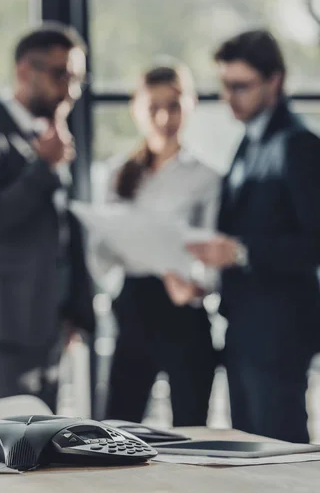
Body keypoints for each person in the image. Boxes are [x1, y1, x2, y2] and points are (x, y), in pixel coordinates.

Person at [168, 30, 320, 442]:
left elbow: (315, 243)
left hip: (279, 330)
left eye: (241, 86)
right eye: (224, 85)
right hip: (243, 325)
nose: (229, 97)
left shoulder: (298, 145)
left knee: (279, 450)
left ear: (276, 81)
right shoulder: (247, 143)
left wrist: (239, 251)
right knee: (250, 450)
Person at [0, 23, 95, 408]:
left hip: (49, 332)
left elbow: (62, 233)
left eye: (77, 78)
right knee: (2, 454)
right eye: (60, 74)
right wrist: (43, 167)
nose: (71, 90)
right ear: (24, 70)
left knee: (43, 458)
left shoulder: (52, 141)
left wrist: (73, 311)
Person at [90, 64, 220, 426]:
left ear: (190, 105)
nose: (164, 117)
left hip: (184, 306)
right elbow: (100, 256)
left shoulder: (207, 176)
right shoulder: (117, 174)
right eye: (153, 107)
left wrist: (197, 287)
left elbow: (214, 252)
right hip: (132, 305)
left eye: (175, 105)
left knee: (191, 428)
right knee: (117, 425)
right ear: (136, 109)